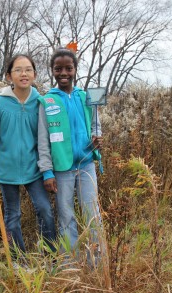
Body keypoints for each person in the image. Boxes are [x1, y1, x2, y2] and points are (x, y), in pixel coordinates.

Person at [0, 54, 56, 264]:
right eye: (18, 70)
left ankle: (50, 258)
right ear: (9, 76)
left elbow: (46, 136)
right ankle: (19, 262)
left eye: (28, 69)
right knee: (13, 216)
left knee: (45, 210)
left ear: (35, 74)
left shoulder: (40, 103)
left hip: (34, 168)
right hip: (6, 169)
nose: (24, 74)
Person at [37, 48, 103, 262]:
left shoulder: (86, 97)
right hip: (62, 169)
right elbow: (43, 139)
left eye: (68, 68)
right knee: (66, 217)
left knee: (92, 214)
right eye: (58, 69)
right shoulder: (47, 101)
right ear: (52, 71)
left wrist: (96, 138)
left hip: (86, 165)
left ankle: (98, 262)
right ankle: (69, 264)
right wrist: (47, 172)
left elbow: (96, 125)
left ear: (75, 69)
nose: (63, 72)